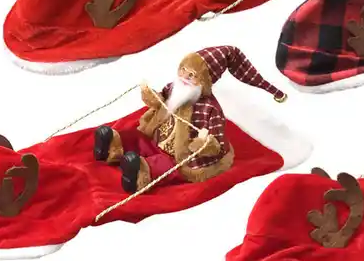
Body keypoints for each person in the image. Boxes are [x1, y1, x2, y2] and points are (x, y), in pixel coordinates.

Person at [93, 46, 286, 192]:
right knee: (135, 137)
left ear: (204, 81)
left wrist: (203, 142)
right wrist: (149, 94)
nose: (184, 77)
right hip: (157, 137)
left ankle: (137, 173)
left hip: (179, 155)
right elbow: (160, 100)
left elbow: (217, 146)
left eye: (192, 75)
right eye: (183, 70)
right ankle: (111, 146)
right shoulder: (173, 87)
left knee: (162, 165)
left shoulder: (211, 110)